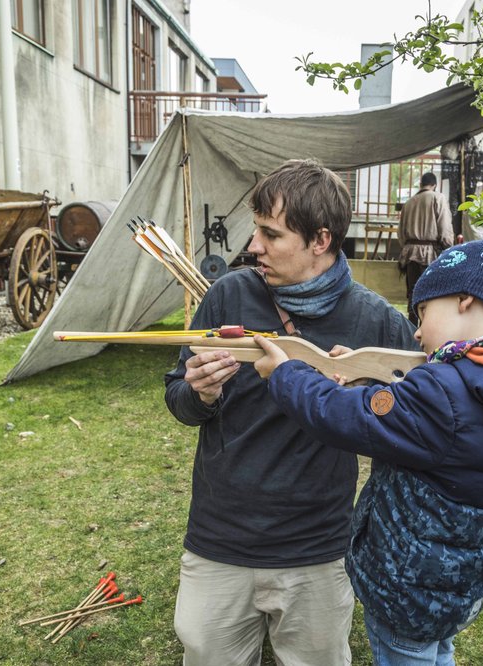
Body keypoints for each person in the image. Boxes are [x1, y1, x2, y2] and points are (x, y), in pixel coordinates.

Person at [253, 239, 483, 665]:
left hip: (407, 589)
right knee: (436, 652)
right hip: (455, 586)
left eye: (422, 313)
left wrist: (286, 374)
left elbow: (348, 417)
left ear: (463, 299)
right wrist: (372, 381)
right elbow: (436, 425)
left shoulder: (442, 394)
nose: (416, 331)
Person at [163, 159, 417, 666]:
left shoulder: (378, 322)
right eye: (256, 230)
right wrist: (200, 394)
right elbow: (179, 398)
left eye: (269, 234)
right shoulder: (228, 293)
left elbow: (410, 429)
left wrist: (363, 398)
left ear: (320, 240)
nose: (252, 246)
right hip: (220, 534)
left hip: (316, 544)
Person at [398, 172, 454, 324]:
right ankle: (425, 330)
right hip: (430, 255)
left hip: (409, 254)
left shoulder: (409, 202)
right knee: (429, 294)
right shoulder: (438, 198)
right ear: (434, 185)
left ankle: (411, 329)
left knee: (412, 295)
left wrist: (408, 247)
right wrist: (449, 248)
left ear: (421, 184)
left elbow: (401, 234)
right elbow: (445, 229)